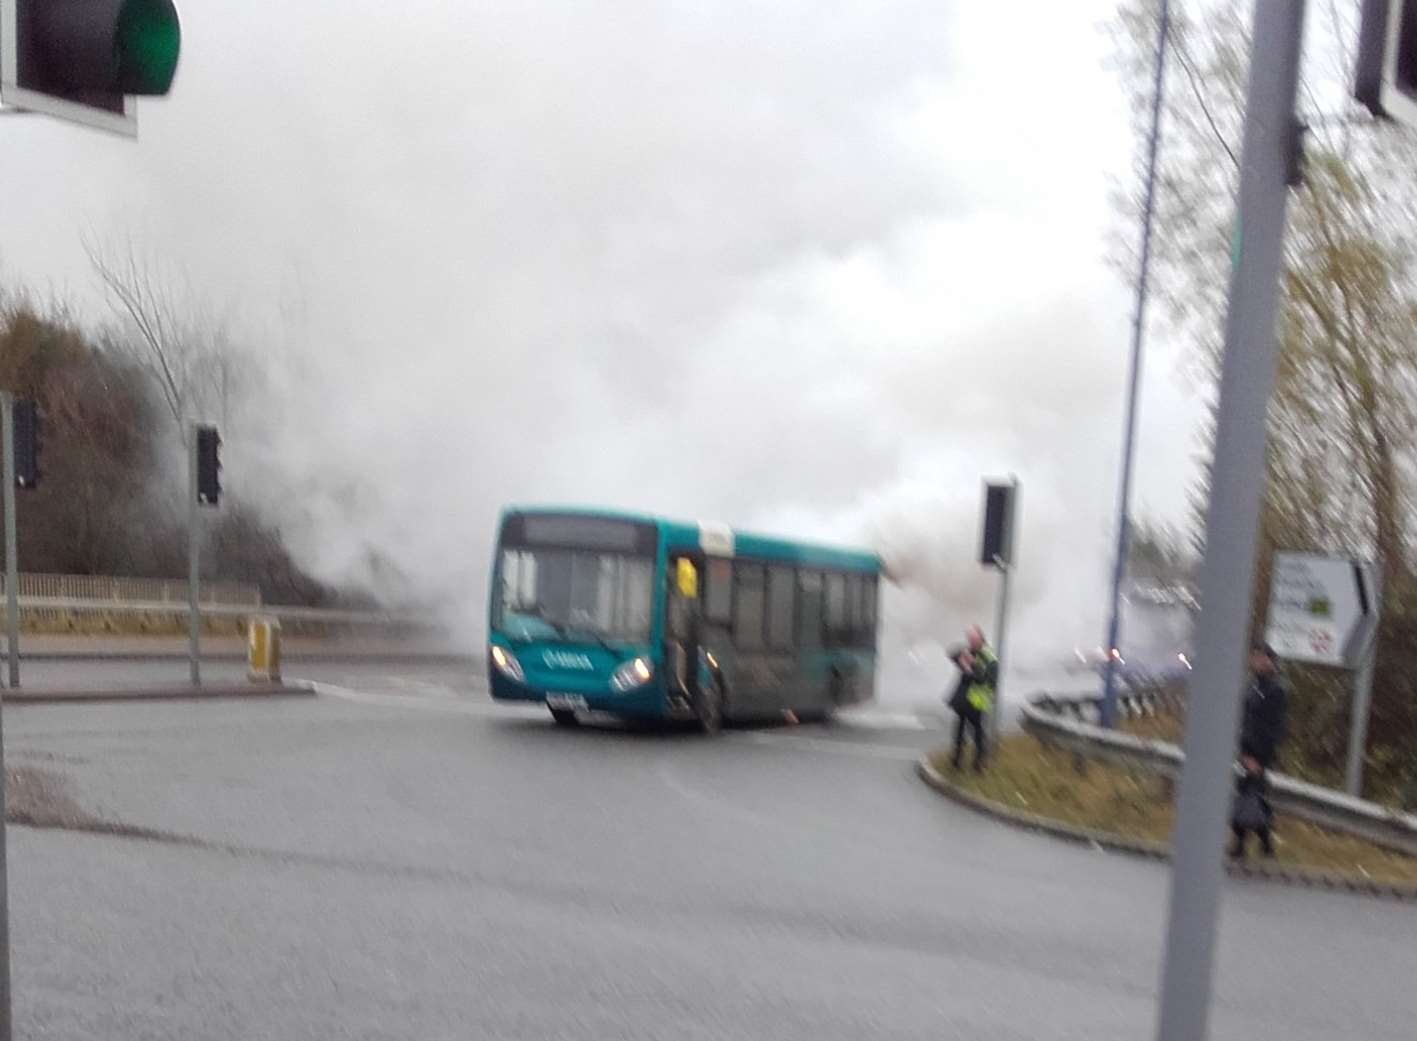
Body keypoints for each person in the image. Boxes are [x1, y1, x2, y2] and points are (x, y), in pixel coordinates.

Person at [1229, 641, 1289, 860]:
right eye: (1255, 657)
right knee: (1249, 797)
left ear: (1271, 661)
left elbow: (1274, 726)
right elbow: (1244, 719)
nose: (1257, 661)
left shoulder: (1276, 690)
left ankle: (1246, 844)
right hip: (1245, 751)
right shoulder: (1251, 687)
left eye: (1262, 658)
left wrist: (1260, 758)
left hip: (1260, 753)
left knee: (1251, 796)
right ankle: (1262, 844)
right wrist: (1241, 750)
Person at [947, 625, 998, 771]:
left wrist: (971, 667)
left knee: (977, 731)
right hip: (964, 698)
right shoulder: (969, 651)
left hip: (977, 700)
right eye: (969, 639)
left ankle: (979, 761)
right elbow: (952, 654)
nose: (970, 642)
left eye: (973, 639)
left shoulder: (988, 656)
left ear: (981, 639)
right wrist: (963, 657)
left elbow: (986, 679)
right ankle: (956, 758)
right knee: (959, 728)